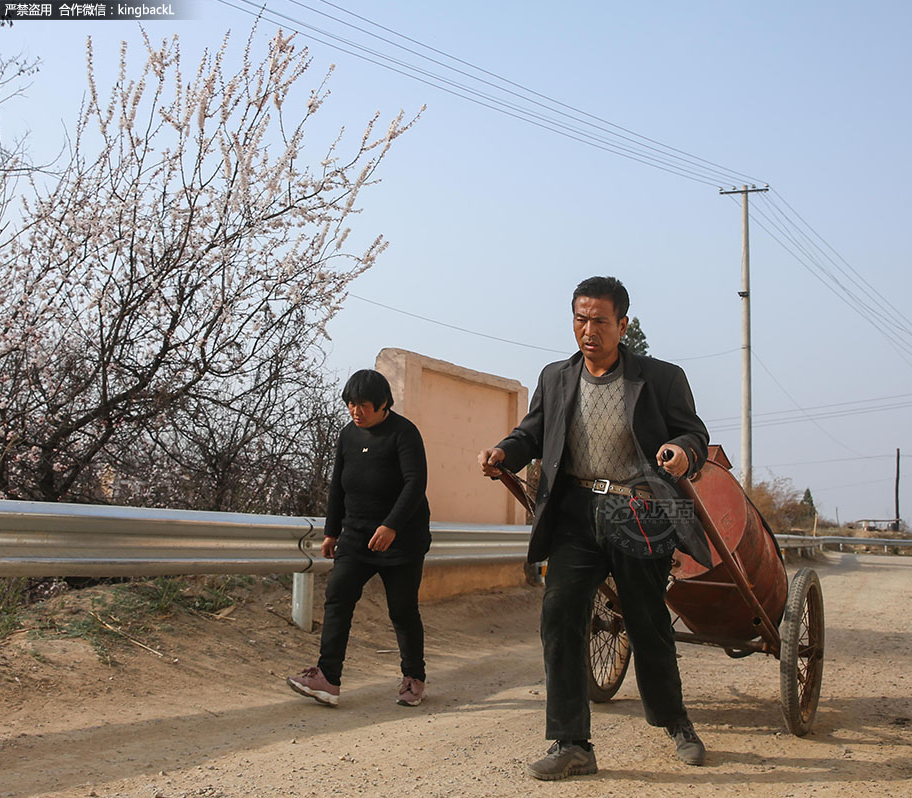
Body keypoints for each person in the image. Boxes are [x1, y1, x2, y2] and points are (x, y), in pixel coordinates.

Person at [478, 276, 711, 780]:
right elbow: (531, 432)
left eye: (600, 321)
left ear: (622, 324)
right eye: (580, 319)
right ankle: (572, 742)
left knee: (647, 620)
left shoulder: (661, 378)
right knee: (560, 615)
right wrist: (505, 452)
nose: (589, 330)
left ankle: (677, 723)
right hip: (575, 514)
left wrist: (680, 453)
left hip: (639, 512)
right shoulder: (556, 377)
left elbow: (694, 432)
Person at [288, 369, 431, 708]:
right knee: (338, 596)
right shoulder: (347, 435)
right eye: (351, 404)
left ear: (383, 404)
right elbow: (338, 484)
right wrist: (331, 531)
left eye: (364, 405)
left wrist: (392, 525)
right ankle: (328, 678)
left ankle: (413, 677)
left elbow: (415, 484)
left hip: (402, 539)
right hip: (356, 535)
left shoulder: (404, 433)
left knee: (402, 610)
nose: (356, 412)